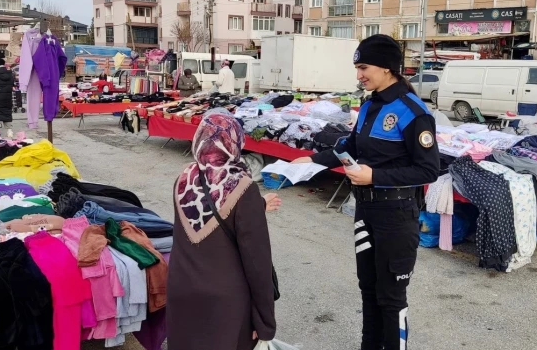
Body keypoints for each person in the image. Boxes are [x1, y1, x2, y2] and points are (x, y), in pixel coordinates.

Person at [292, 34, 439, 350]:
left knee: (391, 297)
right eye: (357, 67)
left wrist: (376, 175)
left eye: (363, 67)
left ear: (387, 68)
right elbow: (351, 148)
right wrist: (311, 160)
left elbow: (429, 169)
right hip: (366, 212)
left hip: (397, 217)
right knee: (368, 291)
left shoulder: (413, 111)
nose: (359, 75)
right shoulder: (371, 105)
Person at [168, 112, 278, 350]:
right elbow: (257, 263)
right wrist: (265, 322)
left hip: (182, 292)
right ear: (234, 142)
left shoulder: (183, 178)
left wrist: (257, 207)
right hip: (225, 303)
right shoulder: (242, 186)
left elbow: (206, 212)